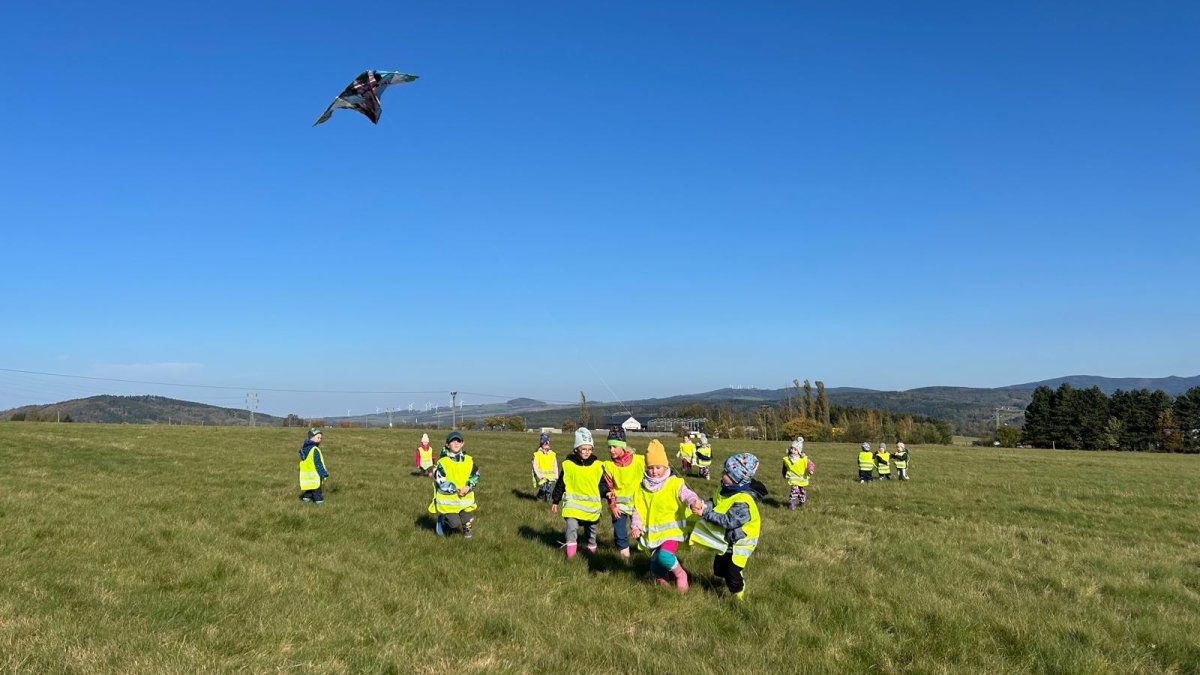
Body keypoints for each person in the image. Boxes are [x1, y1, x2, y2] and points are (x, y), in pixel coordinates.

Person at [630, 439, 705, 592]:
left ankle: (680, 574)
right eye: (650, 468)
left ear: (665, 467)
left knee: (664, 556)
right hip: (653, 533)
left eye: (658, 467)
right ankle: (662, 580)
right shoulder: (642, 488)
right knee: (655, 564)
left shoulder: (674, 483)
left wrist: (693, 502)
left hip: (672, 531)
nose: (654, 471)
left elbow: (687, 494)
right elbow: (638, 509)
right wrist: (636, 526)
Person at [690, 453, 764, 600]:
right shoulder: (724, 488)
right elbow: (715, 502)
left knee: (732, 573)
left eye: (726, 473)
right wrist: (704, 505)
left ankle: (738, 595)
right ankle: (732, 577)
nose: (722, 473)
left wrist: (705, 513)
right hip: (727, 539)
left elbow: (729, 521)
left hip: (741, 542)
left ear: (737, 479)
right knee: (719, 570)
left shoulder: (743, 501)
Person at [552, 428, 606, 558]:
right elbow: (561, 484)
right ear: (576, 449)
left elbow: (602, 483)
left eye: (590, 449)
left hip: (591, 509)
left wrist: (607, 493)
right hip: (573, 508)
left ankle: (592, 551)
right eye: (584, 449)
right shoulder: (568, 465)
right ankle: (571, 556)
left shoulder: (597, 466)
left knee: (591, 531)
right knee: (571, 527)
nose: (587, 452)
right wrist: (555, 500)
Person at [601, 426, 645, 561]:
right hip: (619, 506)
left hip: (638, 505)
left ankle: (649, 553)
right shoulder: (609, 466)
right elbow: (609, 487)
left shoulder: (639, 461)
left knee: (642, 531)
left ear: (623, 446)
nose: (611, 450)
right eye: (609, 447)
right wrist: (612, 505)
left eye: (614, 446)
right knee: (619, 532)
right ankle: (625, 559)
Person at [428, 431, 479, 538]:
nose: (456, 443)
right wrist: (454, 489)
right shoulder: (443, 462)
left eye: (458, 441)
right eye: (453, 441)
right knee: (455, 524)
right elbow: (440, 480)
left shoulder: (469, 461)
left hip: (464, 499)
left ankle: (467, 529)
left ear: (462, 444)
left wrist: (468, 486)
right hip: (449, 502)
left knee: (467, 518)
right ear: (447, 445)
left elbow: (475, 475)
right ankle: (443, 520)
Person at [298, 427, 329, 504]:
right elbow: (318, 463)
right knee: (317, 490)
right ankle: (319, 502)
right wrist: (323, 473)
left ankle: (306, 499)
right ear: (312, 437)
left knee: (309, 488)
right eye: (318, 437)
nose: (320, 440)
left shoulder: (304, 449)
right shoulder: (314, 450)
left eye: (321, 438)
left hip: (306, 475)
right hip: (315, 474)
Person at [782, 437, 813, 509]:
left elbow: (810, 464)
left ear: (799, 451)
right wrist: (784, 473)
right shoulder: (787, 459)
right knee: (794, 491)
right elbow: (784, 467)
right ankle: (792, 502)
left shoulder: (803, 459)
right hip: (793, 479)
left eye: (795, 450)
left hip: (802, 479)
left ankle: (802, 501)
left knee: (802, 491)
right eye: (792, 449)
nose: (793, 451)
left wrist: (810, 470)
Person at [532, 433, 559, 502]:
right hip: (542, 477)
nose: (546, 444)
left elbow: (555, 465)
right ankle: (539, 498)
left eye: (547, 442)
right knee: (543, 489)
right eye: (544, 442)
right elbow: (535, 466)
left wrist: (556, 475)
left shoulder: (552, 454)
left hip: (550, 476)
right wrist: (539, 475)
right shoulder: (537, 454)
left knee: (549, 490)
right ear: (541, 443)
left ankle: (547, 502)